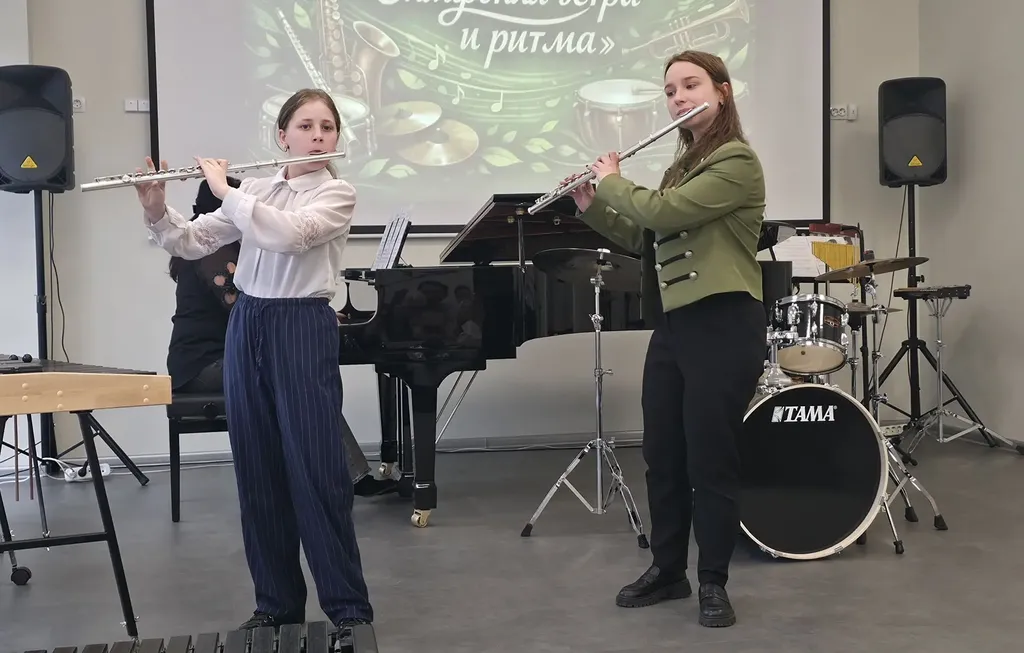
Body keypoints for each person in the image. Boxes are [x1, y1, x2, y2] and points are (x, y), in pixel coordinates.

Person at [138, 88, 374, 632]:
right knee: (257, 471)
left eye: (327, 128)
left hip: (301, 324)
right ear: (282, 136)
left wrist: (225, 190)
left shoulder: (337, 193)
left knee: (318, 471)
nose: (318, 136)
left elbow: (289, 236)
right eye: (306, 126)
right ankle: (276, 605)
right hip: (247, 323)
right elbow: (192, 242)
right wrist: (156, 209)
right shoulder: (261, 189)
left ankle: (348, 612)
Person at [568, 50, 767, 628]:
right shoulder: (682, 166)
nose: (678, 98)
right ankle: (669, 569)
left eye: (690, 85)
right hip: (676, 326)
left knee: (711, 458)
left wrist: (612, 180)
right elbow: (647, 237)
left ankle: (714, 581)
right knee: (663, 455)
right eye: (671, 91)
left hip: (723, 322)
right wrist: (592, 204)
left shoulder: (736, 161)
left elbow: (665, 213)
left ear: (722, 91)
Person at [167, 177, 398, 497]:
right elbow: (245, 306)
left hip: (219, 356)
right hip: (201, 366)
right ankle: (351, 478)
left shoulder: (226, 249)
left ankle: (335, 475)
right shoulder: (214, 253)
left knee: (304, 380)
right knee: (298, 379)